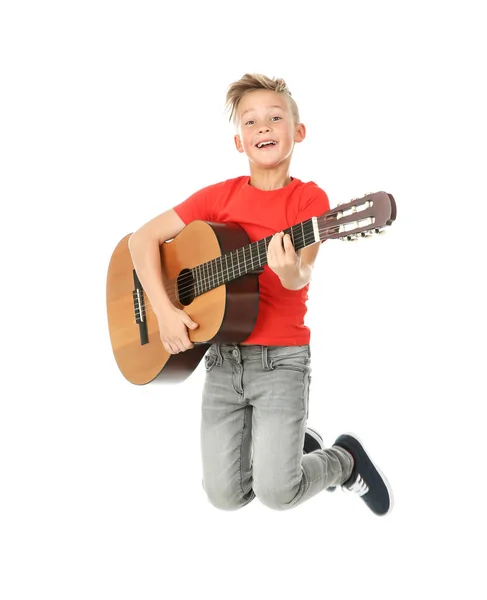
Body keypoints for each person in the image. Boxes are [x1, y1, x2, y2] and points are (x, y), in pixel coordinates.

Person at [128, 73, 393, 516]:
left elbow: (300, 274)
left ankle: (343, 461)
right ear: (239, 143)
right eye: (250, 122)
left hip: (282, 361)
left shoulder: (310, 202)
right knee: (224, 496)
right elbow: (141, 241)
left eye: (275, 117)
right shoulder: (220, 197)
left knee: (277, 493)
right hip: (223, 360)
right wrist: (165, 309)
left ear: (299, 132)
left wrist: (289, 271)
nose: (263, 127)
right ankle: (290, 448)